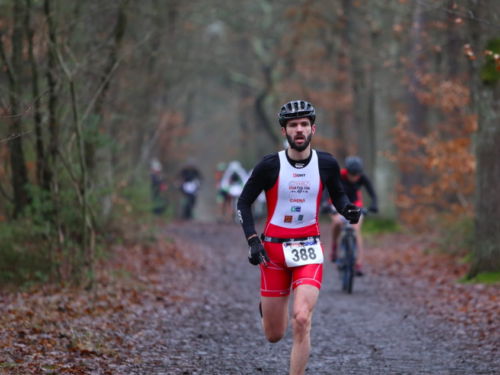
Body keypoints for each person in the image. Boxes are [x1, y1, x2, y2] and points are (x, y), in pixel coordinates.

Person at [237, 100, 360, 375]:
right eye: (293, 125)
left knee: (302, 319)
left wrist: (347, 208)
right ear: (285, 131)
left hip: (308, 249)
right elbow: (243, 202)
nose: (299, 129)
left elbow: (338, 196)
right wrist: (253, 241)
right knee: (274, 334)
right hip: (273, 253)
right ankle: (268, 309)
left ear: (313, 128)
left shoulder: (326, 163)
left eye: (304, 124)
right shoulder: (270, 165)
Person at [329, 156, 378, 276]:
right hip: (338, 203)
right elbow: (327, 189)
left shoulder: (362, 178)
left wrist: (374, 206)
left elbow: (373, 194)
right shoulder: (339, 175)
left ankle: (358, 264)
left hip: (355, 204)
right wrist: (325, 204)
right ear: (347, 171)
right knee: (337, 223)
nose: (354, 177)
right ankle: (334, 247)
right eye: (351, 174)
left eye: (356, 175)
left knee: (356, 231)